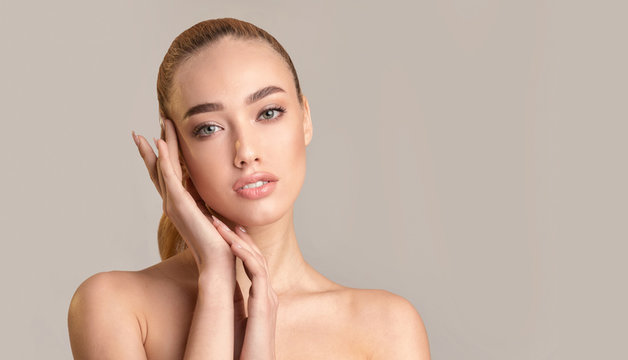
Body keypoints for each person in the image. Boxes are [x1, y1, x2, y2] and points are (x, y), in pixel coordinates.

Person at [67, 17, 430, 359]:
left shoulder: (387, 327)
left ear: (305, 119)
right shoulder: (114, 306)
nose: (246, 152)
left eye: (268, 113)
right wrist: (217, 281)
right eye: (208, 128)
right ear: (175, 152)